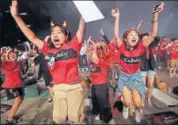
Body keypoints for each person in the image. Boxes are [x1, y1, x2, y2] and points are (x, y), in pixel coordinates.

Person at [10, 0, 85, 124]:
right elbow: (32, 37)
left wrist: (85, 11)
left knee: (74, 119)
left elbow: (82, 25)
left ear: (66, 36)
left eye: (59, 32)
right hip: (58, 89)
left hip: (74, 88)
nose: (55, 34)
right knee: (59, 119)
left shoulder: (74, 45)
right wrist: (16, 16)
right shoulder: (48, 50)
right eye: (52, 33)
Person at [112, 2, 164, 123]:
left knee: (139, 104)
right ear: (126, 38)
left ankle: (138, 110)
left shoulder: (141, 47)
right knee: (128, 102)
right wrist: (117, 17)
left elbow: (153, 35)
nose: (134, 36)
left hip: (136, 77)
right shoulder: (122, 48)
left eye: (136, 34)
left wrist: (155, 15)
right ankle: (125, 107)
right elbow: (115, 35)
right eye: (131, 34)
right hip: (124, 78)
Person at [88, 41, 115, 124]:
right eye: (98, 48)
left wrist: (96, 46)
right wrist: (92, 48)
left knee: (104, 102)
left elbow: (94, 59)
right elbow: (89, 60)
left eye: (101, 48)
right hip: (94, 82)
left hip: (101, 83)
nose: (98, 49)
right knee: (95, 100)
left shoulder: (105, 59)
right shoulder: (94, 55)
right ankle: (98, 113)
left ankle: (108, 118)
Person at [0, 49, 23, 124]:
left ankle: (11, 115)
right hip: (11, 86)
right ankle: (9, 120)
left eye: (14, 53)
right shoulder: (5, 63)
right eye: (10, 54)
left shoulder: (17, 62)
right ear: (8, 56)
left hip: (18, 85)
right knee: (18, 101)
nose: (13, 55)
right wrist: (1, 53)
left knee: (20, 100)